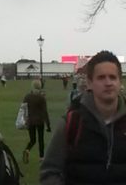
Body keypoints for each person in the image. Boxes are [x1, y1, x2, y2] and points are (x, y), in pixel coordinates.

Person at [40, 50, 126, 185]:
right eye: (101, 77)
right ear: (89, 83)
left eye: (113, 77)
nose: (108, 82)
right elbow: (50, 171)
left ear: (120, 81)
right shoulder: (72, 122)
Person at [22, 79, 50, 164]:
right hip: (40, 120)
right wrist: (48, 125)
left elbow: (24, 108)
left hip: (30, 120)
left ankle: (27, 149)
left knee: (33, 139)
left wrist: (25, 119)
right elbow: (45, 111)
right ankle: (41, 157)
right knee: (41, 139)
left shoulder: (27, 96)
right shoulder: (41, 98)